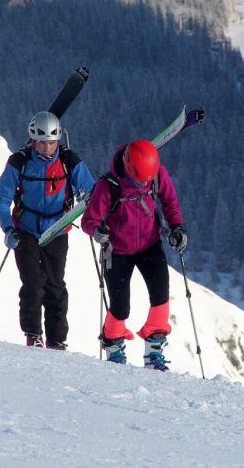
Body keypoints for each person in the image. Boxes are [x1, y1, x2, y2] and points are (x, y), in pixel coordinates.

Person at [81, 139, 188, 370]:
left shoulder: (157, 174)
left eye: (148, 180)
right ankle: (114, 347)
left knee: (160, 296)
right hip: (117, 251)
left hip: (150, 244)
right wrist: (98, 232)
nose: (145, 184)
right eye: (141, 180)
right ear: (129, 167)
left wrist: (177, 227)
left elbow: (170, 202)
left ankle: (154, 352)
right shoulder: (108, 185)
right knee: (120, 306)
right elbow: (89, 221)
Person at [0, 111, 95, 350]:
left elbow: (91, 190)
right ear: (33, 141)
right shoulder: (20, 161)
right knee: (32, 284)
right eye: (42, 142)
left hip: (57, 231)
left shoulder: (70, 161)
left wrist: (89, 202)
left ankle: (57, 339)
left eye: (52, 142)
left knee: (55, 285)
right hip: (25, 231)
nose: (47, 148)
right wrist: (8, 228)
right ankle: (33, 334)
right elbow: (2, 198)